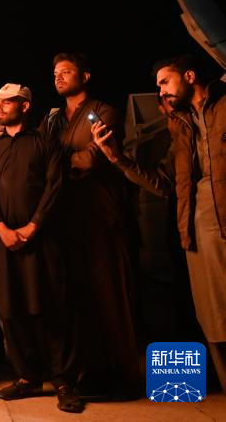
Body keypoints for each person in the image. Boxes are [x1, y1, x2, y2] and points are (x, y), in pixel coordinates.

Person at [0, 83, 82, 413]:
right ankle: (28, 377)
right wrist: (2, 229)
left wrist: (33, 226)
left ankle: (63, 380)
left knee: (51, 306)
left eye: (7, 102)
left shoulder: (45, 142)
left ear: (24, 106)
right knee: (11, 309)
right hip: (3, 242)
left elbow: (55, 186)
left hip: (42, 240)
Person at [40, 53, 139, 398]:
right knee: (79, 296)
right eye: (55, 73)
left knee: (111, 293)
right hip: (66, 219)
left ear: (85, 76)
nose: (59, 77)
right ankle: (90, 370)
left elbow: (92, 159)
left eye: (66, 71)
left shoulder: (105, 112)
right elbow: (39, 156)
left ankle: (124, 374)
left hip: (101, 215)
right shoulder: (53, 119)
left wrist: (54, 164)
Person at [152, 55, 226, 392]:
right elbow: (165, 181)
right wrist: (116, 156)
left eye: (165, 82)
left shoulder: (222, 105)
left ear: (190, 76)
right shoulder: (179, 125)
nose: (161, 92)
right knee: (212, 318)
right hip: (197, 229)